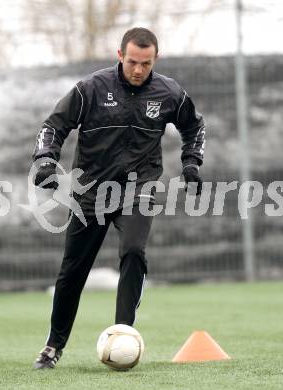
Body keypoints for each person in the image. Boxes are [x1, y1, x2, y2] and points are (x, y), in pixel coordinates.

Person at [32, 27, 205, 369]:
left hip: (138, 191)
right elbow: (53, 126)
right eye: (132, 62)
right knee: (72, 272)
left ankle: (124, 332)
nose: (138, 69)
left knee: (133, 251)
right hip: (91, 193)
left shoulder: (170, 93)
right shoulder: (91, 89)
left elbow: (194, 127)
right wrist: (46, 160)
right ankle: (53, 346)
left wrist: (191, 163)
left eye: (146, 63)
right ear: (119, 56)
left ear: (156, 59)